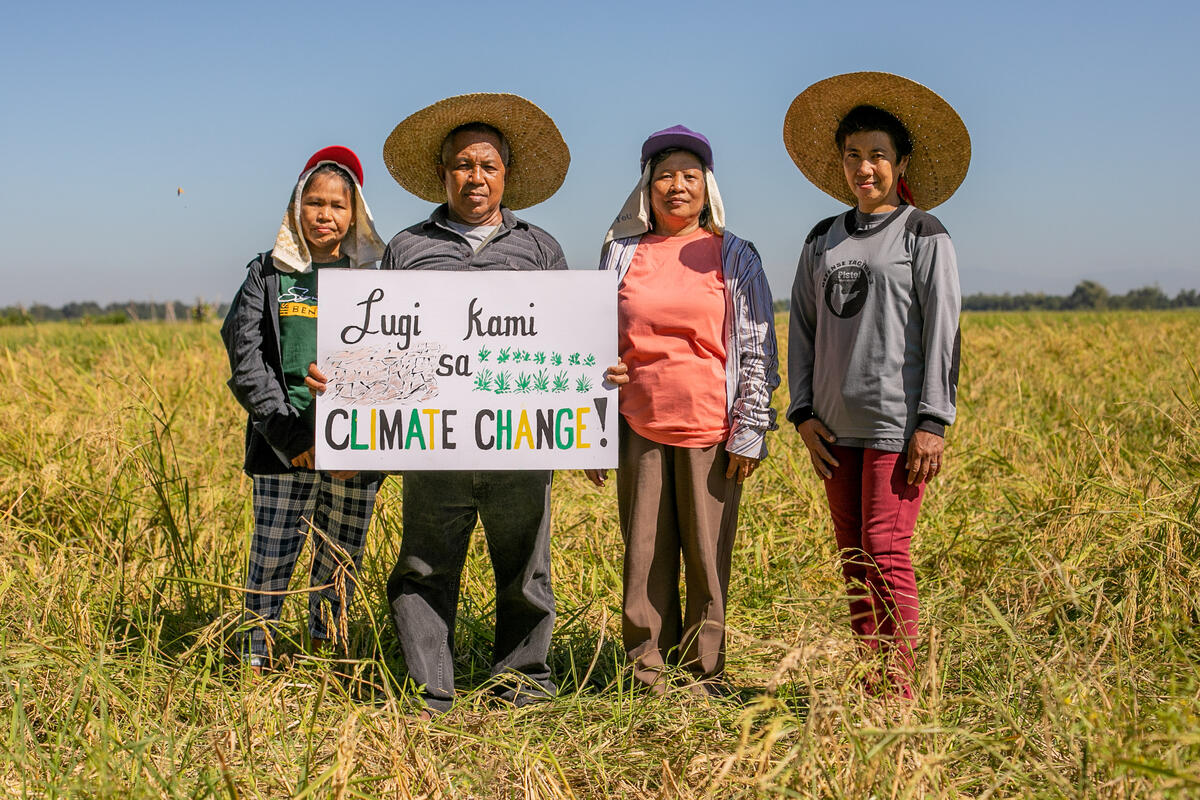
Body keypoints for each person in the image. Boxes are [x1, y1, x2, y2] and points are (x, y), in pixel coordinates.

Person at [312, 93, 571, 715]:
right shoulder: (407, 247)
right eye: (462, 164)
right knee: (424, 569)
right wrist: (343, 391)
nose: (474, 177)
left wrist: (594, 388)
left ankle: (523, 680)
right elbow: (376, 341)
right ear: (443, 173)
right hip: (431, 444)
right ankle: (431, 687)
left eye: (487, 165)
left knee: (526, 573)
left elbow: (570, 338)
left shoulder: (540, 249)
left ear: (507, 175)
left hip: (521, 443)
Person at [782, 72, 969, 697]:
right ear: (841, 163)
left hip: (897, 425)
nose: (866, 168)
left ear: (901, 162)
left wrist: (932, 422)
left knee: (886, 552)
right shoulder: (821, 239)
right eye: (854, 156)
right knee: (855, 561)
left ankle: (900, 690)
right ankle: (871, 679)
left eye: (879, 156)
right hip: (834, 428)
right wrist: (802, 411)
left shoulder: (923, 233)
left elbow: (944, 329)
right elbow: (802, 329)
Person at [586, 125, 779, 695]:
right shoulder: (620, 254)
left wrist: (750, 428)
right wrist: (590, 429)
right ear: (646, 186)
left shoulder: (734, 254)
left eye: (689, 176)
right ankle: (646, 669)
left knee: (705, 555)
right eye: (665, 175)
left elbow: (755, 343)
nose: (677, 186)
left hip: (710, 428)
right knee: (643, 553)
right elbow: (593, 342)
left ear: (707, 186)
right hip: (636, 424)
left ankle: (702, 671)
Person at [221, 146, 387, 673]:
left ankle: (329, 660)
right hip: (284, 445)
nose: (325, 215)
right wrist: (292, 440)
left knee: (339, 563)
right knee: (271, 559)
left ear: (355, 213)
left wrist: (360, 440)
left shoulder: (376, 281)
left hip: (356, 451)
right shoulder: (267, 275)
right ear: (296, 208)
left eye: (338, 206)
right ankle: (255, 661)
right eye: (314, 203)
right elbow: (247, 359)